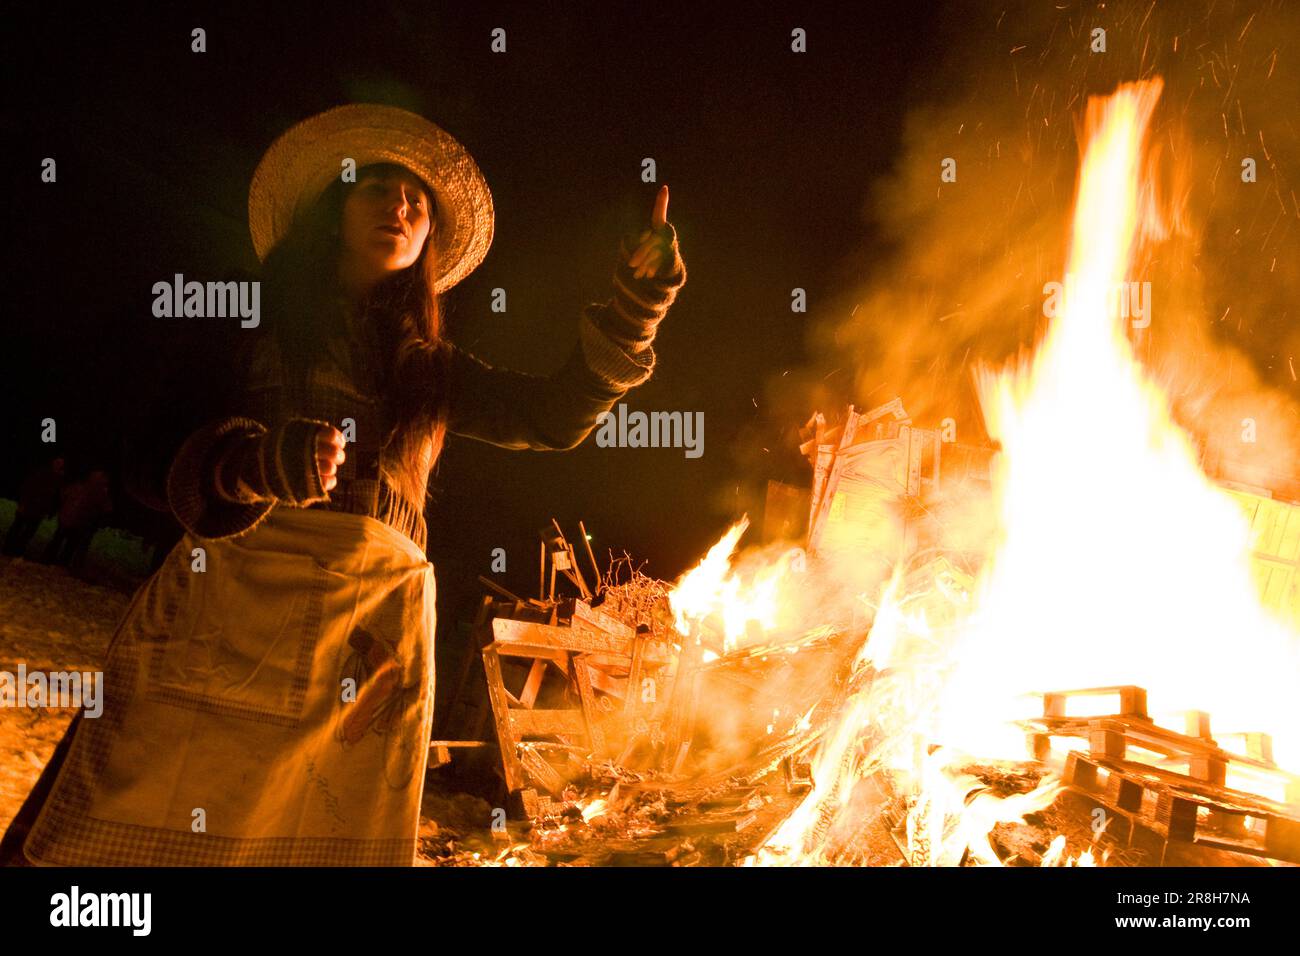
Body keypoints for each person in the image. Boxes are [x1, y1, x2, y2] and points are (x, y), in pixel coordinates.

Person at [4, 104, 686, 866]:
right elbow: (145, 459)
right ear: (333, 211)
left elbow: (556, 415)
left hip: (372, 639)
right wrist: (248, 467)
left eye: (418, 203)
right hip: (232, 608)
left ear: (429, 239)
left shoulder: (432, 368)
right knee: (145, 813)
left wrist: (637, 308)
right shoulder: (247, 318)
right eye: (379, 189)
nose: (401, 207)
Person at [41, 468, 113, 571]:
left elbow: (64, 493)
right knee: (68, 544)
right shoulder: (99, 492)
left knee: (60, 541)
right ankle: (59, 563)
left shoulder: (81, 486)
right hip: (78, 521)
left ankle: (49, 559)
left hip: (69, 518)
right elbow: (107, 508)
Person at [2, 456, 65, 558]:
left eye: (61, 464)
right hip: (28, 506)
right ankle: (7, 549)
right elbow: (28, 486)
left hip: (39, 511)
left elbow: (56, 497)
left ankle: (17, 551)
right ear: (53, 463)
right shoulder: (41, 473)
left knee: (28, 533)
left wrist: (51, 511)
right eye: (58, 463)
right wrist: (22, 503)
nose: (59, 466)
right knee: (17, 528)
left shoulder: (59, 480)